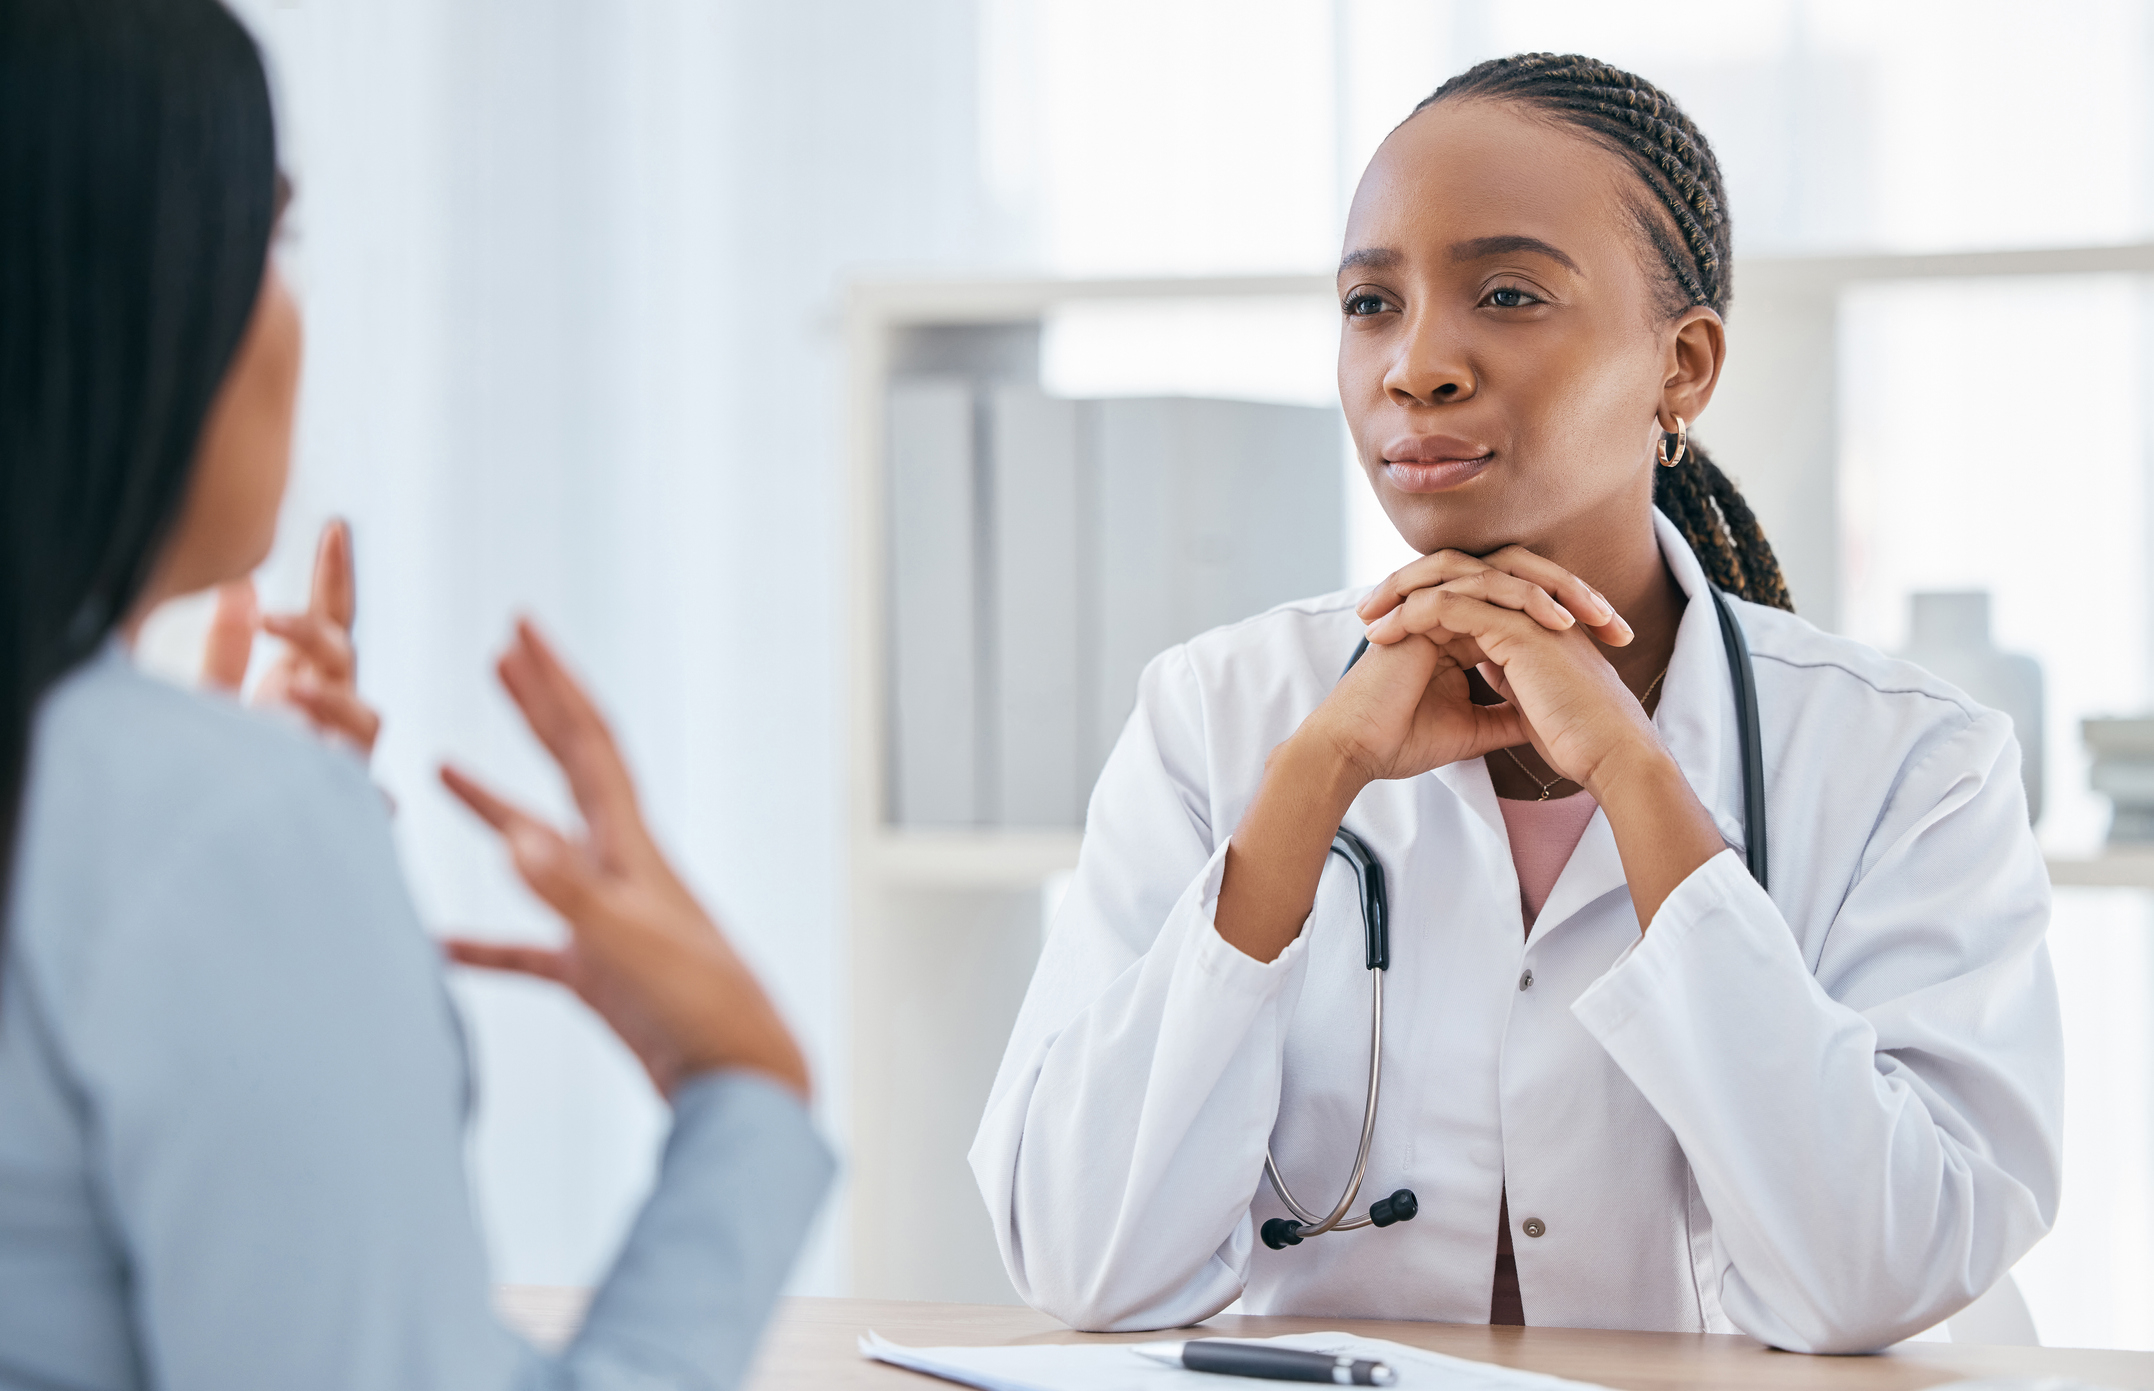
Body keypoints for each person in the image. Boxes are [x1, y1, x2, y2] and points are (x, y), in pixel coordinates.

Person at [971, 54, 2062, 1353]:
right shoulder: (1218, 713)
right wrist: (1308, 787)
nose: (1416, 365)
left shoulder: (1910, 760)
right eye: (1370, 304)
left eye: (1507, 294)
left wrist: (1637, 778)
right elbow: (1081, 1260)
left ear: (1683, 367)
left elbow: (1879, 1280)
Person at [0, 1, 830, 1386]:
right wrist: (747, 1089)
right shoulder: (215, 834)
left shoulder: (164, 823)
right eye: (273, 238)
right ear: (113, 288)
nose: (292, 317)